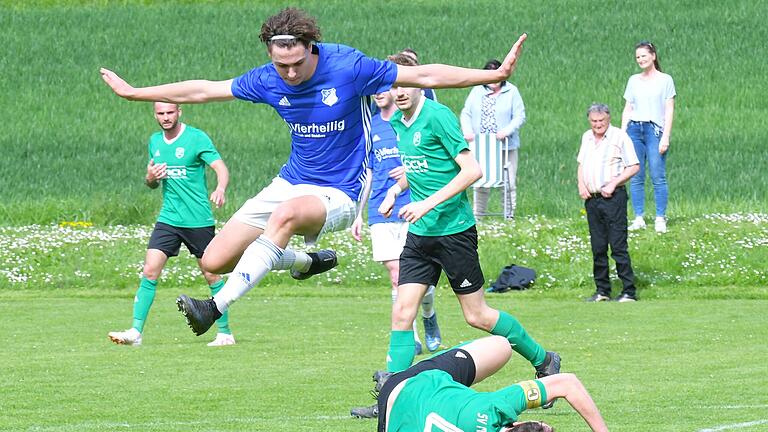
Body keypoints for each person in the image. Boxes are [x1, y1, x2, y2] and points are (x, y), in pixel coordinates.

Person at [100, 7, 529, 338]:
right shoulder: (268, 79)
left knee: (284, 216)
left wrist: (493, 74)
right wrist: (135, 93)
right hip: (292, 180)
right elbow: (203, 90)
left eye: (297, 64)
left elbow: (424, 74)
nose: (289, 73)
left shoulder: (348, 67)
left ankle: (214, 309)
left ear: (311, 48)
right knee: (214, 258)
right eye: (281, 65)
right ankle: (306, 260)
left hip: (342, 190)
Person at [374, 52, 558, 398]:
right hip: (421, 235)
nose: (399, 91)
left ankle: (544, 358)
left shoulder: (438, 116)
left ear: (420, 84)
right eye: (393, 84)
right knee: (402, 311)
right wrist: (395, 190)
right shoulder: (398, 122)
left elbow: (473, 171)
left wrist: (425, 203)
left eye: (406, 83)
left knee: (477, 316)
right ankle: (392, 394)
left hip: (454, 232)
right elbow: (423, 168)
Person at [108, 102, 234, 347]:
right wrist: (150, 178)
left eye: (170, 112)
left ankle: (225, 333)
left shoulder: (196, 138)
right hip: (168, 219)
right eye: (161, 113)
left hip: (198, 220)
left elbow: (221, 168)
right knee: (149, 270)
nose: (165, 117)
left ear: (179, 112)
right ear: (155, 115)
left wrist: (220, 188)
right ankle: (135, 332)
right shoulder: (154, 141)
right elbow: (151, 183)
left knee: (211, 274)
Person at [351, 89, 442, 355]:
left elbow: (426, 157)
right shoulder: (371, 124)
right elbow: (367, 172)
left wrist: (409, 167)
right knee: (396, 274)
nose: (378, 94)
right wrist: (358, 213)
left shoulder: (407, 121)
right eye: (374, 90)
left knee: (420, 281)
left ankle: (429, 314)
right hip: (380, 210)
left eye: (384, 89)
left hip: (411, 205)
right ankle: (410, 336)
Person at [375, 335, 608, 432]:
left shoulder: (495, 407)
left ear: (517, 425)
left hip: (411, 382)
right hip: (394, 410)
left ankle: (397, 371)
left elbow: (568, 383)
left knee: (500, 345)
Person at [578, 103, 640, 303]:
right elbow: (581, 164)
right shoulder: (586, 137)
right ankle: (602, 290)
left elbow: (634, 166)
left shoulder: (619, 137)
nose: (598, 125)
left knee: (618, 245)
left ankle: (628, 290)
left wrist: (614, 183)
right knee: (598, 247)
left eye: (601, 121)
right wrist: (581, 185)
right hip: (592, 199)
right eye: (594, 121)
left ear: (608, 119)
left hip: (613, 198)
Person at [621, 40, 676, 233]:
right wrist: (622, 135)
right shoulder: (633, 80)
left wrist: (665, 136)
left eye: (643, 56)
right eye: (637, 57)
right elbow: (628, 108)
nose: (640, 60)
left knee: (657, 175)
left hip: (654, 131)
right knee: (635, 175)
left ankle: (660, 217)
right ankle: (639, 217)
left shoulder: (665, 80)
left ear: (653, 56)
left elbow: (669, 110)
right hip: (634, 129)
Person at [461, 59, 526, 220]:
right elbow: (466, 113)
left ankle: (508, 216)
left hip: (505, 146)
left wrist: (506, 131)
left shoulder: (511, 91)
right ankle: (478, 216)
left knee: (508, 182)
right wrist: (467, 131)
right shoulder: (477, 91)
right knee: (481, 181)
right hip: (481, 146)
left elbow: (520, 116)